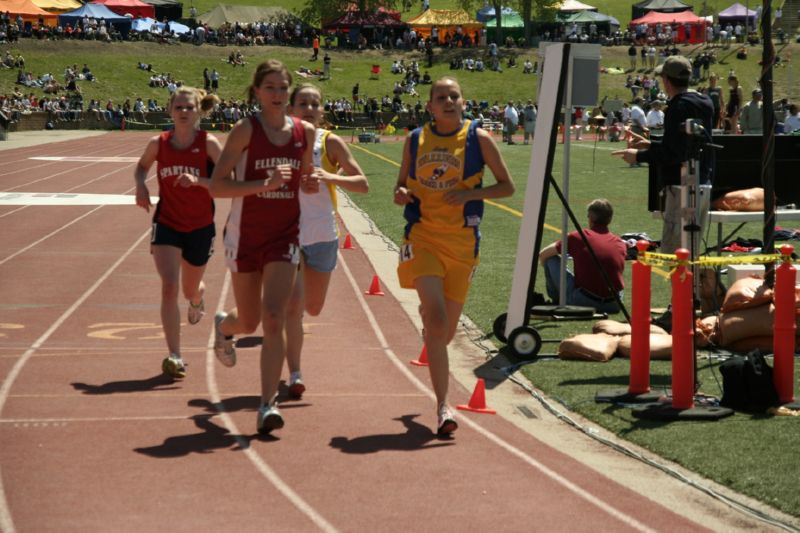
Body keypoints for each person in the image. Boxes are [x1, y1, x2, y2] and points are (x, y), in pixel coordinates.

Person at [393, 77, 515, 436]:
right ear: (430, 105)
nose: (448, 101)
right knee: (436, 317)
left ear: (463, 102)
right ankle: (443, 407)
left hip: (462, 245)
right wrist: (400, 193)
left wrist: (468, 196)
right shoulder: (415, 140)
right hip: (423, 237)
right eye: (440, 97)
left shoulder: (479, 139)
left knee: (442, 334)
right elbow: (400, 186)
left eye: (454, 96)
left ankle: (430, 321)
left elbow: (507, 187)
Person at [209, 60, 317, 434]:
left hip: (284, 236)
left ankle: (267, 404)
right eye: (270, 87)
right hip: (245, 235)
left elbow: (303, 180)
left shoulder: (306, 133)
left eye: (283, 88)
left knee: (275, 316)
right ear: (257, 91)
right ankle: (226, 327)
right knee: (250, 320)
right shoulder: (245, 130)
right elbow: (217, 185)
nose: (277, 94)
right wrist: (263, 185)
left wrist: (311, 183)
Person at [283, 84, 369, 398]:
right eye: (302, 103)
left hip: (321, 236)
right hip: (286, 235)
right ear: (291, 108)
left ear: (322, 111)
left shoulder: (329, 142)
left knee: (313, 308)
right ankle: (295, 373)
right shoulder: (279, 139)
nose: (308, 108)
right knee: (292, 307)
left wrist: (328, 176)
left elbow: (362, 183)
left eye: (314, 104)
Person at [134, 86, 223, 379]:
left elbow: (229, 182)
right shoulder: (157, 143)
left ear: (199, 111)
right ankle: (175, 355)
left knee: (188, 289)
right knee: (169, 287)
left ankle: (197, 299)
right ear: (170, 110)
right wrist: (141, 185)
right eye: (179, 107)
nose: (184, 112)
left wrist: (198, 180)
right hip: (168, 223)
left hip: (200, 226)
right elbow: (141, 167)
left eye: (189, 108)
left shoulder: (208, 143)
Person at [613, 55, 715, 256]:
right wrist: (652, 143)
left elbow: (673, 154)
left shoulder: (677, 106)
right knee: (691, 252)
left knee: (675, 253)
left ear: (666, 81)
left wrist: (638, 156)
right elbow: (687, 144)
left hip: (681, 188)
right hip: (703, 182)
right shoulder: (705, 102)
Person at [538, 199, 626, 314]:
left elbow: (543, 254)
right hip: (614, 304)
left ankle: (557, 300)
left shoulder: (578, 237)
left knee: (550, 259)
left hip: (583, 301)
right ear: (610, 219)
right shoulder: (620, 243)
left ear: (590, 217)